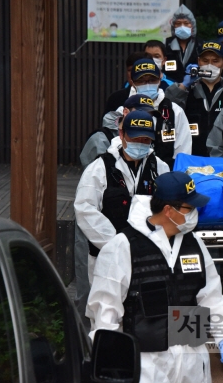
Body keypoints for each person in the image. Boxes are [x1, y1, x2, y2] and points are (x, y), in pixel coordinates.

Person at [86, 171, 223, 383]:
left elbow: (211, 296)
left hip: (191, 360)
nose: (195, 213)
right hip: (147, 364)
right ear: (168, 210)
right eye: (189, 208)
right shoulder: (123, 246)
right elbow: (105, 310)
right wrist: (112, 363)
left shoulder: (194, 245)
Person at [75, 110, 170, 305]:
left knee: (147, 315)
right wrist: (118, 245)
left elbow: (168, 210)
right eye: (135, 138)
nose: (140, 144)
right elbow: (85, 209)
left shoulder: (159, 168)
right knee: (106, 314)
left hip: (149, 257)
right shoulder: (100, 167)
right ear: (121, 135)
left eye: (146, 140)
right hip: (108, 257)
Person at [165, 41, 223, 157]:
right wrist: (183, 86)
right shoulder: (187, 90)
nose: (210, 65)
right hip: (191, 157)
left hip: (222, 159)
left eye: (215, 61)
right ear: (198, 61)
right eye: (205, 61)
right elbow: (167, 110)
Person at [128, 58, 192, 168]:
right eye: (141, 81)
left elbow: (183, 153)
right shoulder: (124, 110)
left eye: (152, 80)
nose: (147, 84)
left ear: (160, 79)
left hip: (168, 177)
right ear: (133, 83)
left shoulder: (175, 111)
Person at [164, 5, 203, 84]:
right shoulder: (166, 45)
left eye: (186, 23)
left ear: (192, 26)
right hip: (171, 88)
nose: (182, 26)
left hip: (195, 88)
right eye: (178, 23)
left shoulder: (200, 45)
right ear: (173, 26)